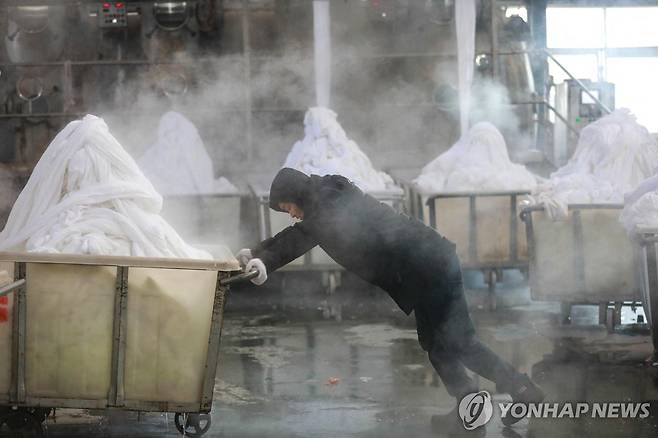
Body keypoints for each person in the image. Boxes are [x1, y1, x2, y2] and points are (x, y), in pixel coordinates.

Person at [237, 168, 544, 430]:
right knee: (437, 345)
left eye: (286, 206)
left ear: (295, 194)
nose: (289, 212)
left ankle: (520, 388)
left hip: (429, 265)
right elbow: (300, 231)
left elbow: (302, 235)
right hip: (422, 269)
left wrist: (268, 262)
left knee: (459, 342)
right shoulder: (323, 198)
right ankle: (469, 409)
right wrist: (256, 252)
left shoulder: (328, 202)